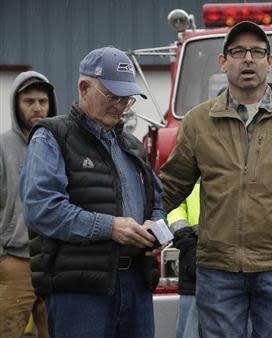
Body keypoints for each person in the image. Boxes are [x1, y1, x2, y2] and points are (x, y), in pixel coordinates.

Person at [160, 21, 272, 338]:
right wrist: (146, 223)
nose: (248, 59)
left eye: (257, 51)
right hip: (218, 268)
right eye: (238, 51)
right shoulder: (199, 121)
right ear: (223, 62)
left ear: (270, 61)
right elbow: (172, 185)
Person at [19, 46, 165, 338]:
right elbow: (42, 209)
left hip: (136, 284)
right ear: (84, 88)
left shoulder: (131, 145)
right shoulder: (51, 137)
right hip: (80, 291)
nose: (121, 104)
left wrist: (157, 231)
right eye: (112, 95)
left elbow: (156, 201)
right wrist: (110, 227)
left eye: (127, 97)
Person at [0, 71, 56, 338]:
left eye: (43, 101)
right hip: (15, 261)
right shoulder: (2, 147)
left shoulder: (59, 143)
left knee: (55, 332)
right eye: (29, 101)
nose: (37, 108)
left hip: (54, 261)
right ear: (16, 104)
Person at [167, 183, 201, 338]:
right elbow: (173, 202)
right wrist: (187, 242)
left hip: (256, 266)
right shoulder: (192, 158)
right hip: (195, 264)